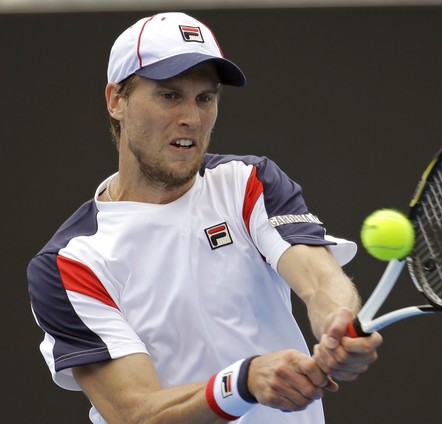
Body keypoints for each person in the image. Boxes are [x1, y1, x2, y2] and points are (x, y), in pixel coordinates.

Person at [27, 12, 382, 424]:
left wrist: (338, 319)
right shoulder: (69, 263)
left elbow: (319, 278)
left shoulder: (249, 182)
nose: (192, 118)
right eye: (169, 95)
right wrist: (242, 382)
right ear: (116, 100)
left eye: (205, 98)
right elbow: (133, 411)